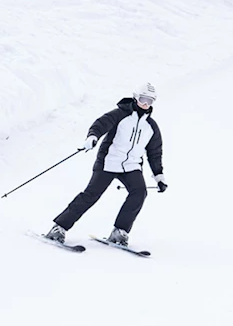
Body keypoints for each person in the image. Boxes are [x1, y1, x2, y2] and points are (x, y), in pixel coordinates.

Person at [46, 82, 167, 246]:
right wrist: (92, 137)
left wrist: (159, 177)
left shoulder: (151, 127)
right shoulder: (120, 114)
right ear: (135, 97)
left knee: (139, 193)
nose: (146, 104)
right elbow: (101, 124)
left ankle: (120, 232)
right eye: (143, 99)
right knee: (91, 195)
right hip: (108, 162)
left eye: (150, 101)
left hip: (131, 166)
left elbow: (154, 153)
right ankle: (59, 227)